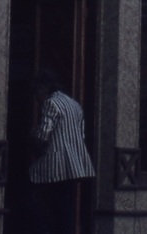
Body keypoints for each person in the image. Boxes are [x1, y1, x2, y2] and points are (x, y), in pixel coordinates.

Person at [28, 69, 95, 234]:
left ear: (43, 89)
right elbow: (82, 134)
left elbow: (43, 134)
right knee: (65, 208)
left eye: (37, 94)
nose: (37, 100)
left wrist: (33, 134)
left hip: (56, 163)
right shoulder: (74, 104)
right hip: (75, 164)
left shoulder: (50, 103)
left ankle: (42, 230)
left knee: (24, 192)